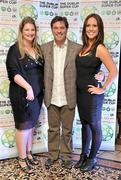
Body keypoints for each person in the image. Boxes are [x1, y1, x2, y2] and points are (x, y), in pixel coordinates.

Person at [41, 16, 103, 170]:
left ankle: (67, 157)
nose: (59, 31)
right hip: (52, 95)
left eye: (62, 28)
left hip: (69, 96)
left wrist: (100, 73)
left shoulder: (77, 48)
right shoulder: (44, 48)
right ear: (52, 29)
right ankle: (53, 155)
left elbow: (88, 64)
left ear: (66, 29)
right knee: (53, 129)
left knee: (67, 130)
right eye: (56, 28)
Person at [75, 13, 117, 172]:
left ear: (99, 29)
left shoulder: (100, 48)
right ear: (84, 28)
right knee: (84, 125)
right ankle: (83, 156)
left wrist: (103, 87)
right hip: (81, 94)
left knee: (94, 126)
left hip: (93, 95)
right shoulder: (84, 47)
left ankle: (92, 158)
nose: (91, 29)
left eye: (94, 26)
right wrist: (101, 75)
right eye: (88, 25)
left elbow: (114, 70)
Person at [6, 17, 44, 174]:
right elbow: (13, 73)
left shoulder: (38, 49)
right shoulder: (15, 49)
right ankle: (21, 159)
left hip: (37, 95)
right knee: (23, 127)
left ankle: (28, 154)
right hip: (22, 95)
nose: (30, 32)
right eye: (27, 29)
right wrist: (28, 88)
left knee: (31, 127)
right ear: (21, 31)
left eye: (32, 29)